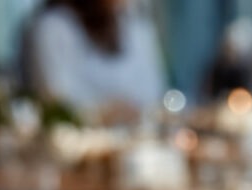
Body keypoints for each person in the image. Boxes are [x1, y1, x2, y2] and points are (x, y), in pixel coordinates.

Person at [23, 0, 166, 118]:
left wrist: (130, 109)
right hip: (75, 142)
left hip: (140, 138)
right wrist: (102, 111)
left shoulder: (137, 27)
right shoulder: (52, 27)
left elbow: (155, 92)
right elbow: (55, 100)